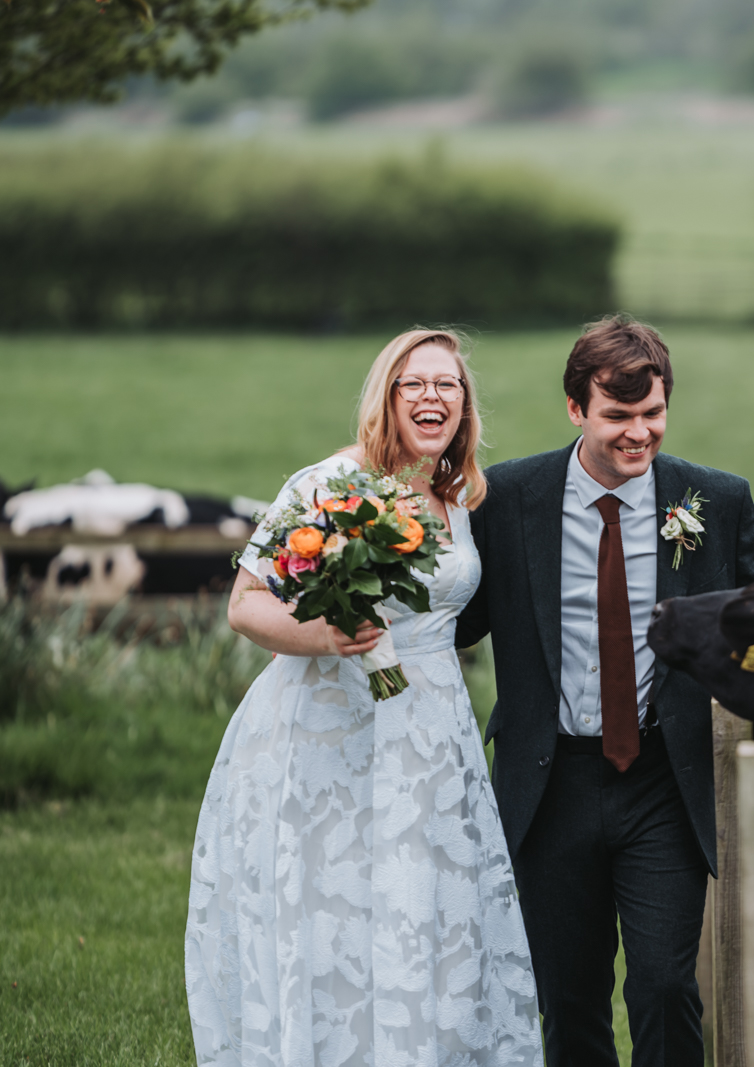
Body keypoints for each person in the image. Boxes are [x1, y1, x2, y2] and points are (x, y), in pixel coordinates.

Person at [186, 329, 544, 1066]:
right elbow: (246, 604)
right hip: (334, 728)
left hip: (434, 725)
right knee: (340, 910)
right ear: (386, 395)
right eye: (414, 383)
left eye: (447, 385)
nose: (431, 397)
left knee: (429, 908)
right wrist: (325, 635)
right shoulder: (329, 482)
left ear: (465, 405)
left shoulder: (458, 494)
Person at [455, 316, 754, 1067]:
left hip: (663, 780)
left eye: (653, 414)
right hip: (551, 780)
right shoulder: (508, 499)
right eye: (619, 416)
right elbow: (457, 619)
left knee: (667, 985)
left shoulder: (715, 500)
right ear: (576, 408)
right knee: (568, 998)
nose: (640, 433)